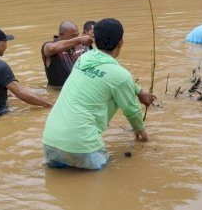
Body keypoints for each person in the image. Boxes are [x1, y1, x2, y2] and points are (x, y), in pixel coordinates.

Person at [41, 18, 156, 170]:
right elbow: (132, 110)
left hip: (50, 142)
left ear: (94, 40)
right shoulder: (121, 75)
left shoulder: (83, 59)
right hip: (83, 148)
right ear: (120, 43)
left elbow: (110, 77)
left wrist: (138, 91)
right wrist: (142, 133)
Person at [41, 20, 94, 88]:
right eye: (73, 36)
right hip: (58, 92)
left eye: (77, 36)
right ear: (61, 34)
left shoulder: (79, 46)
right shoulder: (50, 46)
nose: (76, 39)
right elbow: (51, 48)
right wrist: (78, 40)